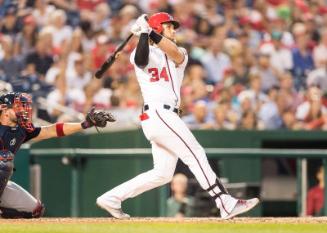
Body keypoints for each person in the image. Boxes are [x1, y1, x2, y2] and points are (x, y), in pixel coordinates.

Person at [96, 12, 259, 220]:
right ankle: (224, 202)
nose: (174, 30)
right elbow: (141, 60)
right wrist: (145, 34)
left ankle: (111, 198)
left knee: (162, 174)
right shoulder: (140, 51)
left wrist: (149, 33)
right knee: (195, 153)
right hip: (158, 113)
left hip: (163, 116)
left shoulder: (179, 51)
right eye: (169, 26)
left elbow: (176, 54)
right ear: (157, 28)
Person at [0, 92, 115, 218]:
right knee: (4, 161)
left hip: (3, 185)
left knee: (34, 210)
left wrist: (85, 124)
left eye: (23, 106)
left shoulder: (21, 130)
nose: (23, 110)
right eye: (18, 107)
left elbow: (52, 130)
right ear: (4, 110)